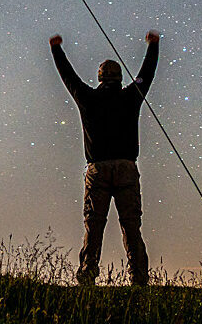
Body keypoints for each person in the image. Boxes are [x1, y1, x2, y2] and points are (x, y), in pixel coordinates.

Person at [50, 30, 159, 286]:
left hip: (97, 170)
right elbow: (147, 73)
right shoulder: (131, 96)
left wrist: (57, 50)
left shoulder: (87, 98)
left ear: (99, 78)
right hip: (126, 169)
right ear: (120, 79)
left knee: (94, 227)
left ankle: (87, 277)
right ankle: (139, 280)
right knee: (132, 228)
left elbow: (68, 77)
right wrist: (153, 46)